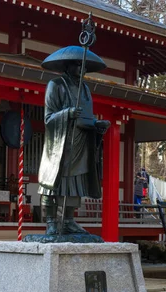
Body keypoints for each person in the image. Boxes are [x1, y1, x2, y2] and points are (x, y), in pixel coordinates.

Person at [36, 46, 111, 236]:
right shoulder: (56, 84)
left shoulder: (85, 89)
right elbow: (48, 118)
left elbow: (87, 118)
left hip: (80, 141)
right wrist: (67, 113)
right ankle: (52, 221)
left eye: (85, 67)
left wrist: (97, 124)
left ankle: (69, 220)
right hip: (60, 143)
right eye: (79, 65)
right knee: (54, 182)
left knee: (76, 182)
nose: (82, 70)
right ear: (68, 66)